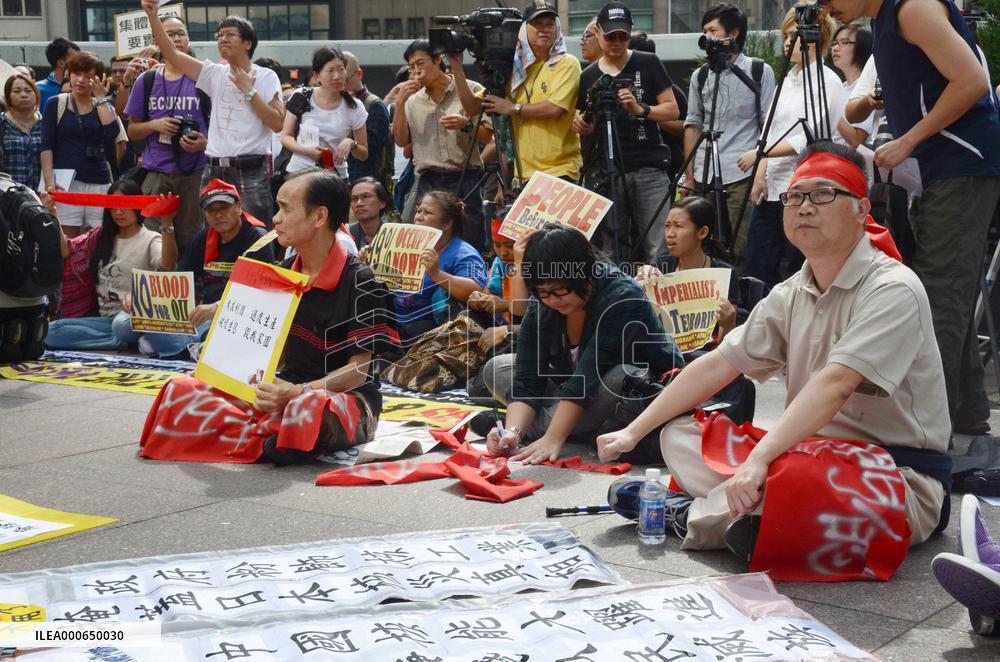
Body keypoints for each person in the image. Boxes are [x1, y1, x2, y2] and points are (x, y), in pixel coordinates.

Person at [596, 144, 950, 577]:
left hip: (893, 476)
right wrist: (633, 432)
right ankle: (753, 513)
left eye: (822, 195)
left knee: (796, 478)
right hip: (803, 453)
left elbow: (835, 384)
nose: (804, 207)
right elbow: (719, 363)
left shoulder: (893, 288)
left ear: (861, 209)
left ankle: (693, 517)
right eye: (795, 196)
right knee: (680, 435)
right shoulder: (791, 290)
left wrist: (760, 460)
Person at [139, 168, 399, 465]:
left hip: (340, 397)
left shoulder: (361, 280)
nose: (275, 219)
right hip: (285, 389)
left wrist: (297, 391)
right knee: (183, 390)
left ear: (319, 217)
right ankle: (272, 436)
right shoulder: (281, 273)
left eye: (285, 209)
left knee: (308, 408)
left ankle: (259, 432)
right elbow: (270, 356)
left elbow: (358, 373)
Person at [825, 0, 1000, 436]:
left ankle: (924, 427)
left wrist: (907, 141)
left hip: (961, 163)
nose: (826, 7)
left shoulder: (913, 7)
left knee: (940, 294)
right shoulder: (887, 17)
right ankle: (967, 410)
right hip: (939, 168)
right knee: (942, 288)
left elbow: (974, 82)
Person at [482, 222, 683, 464]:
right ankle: (565, 426)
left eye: (559, 291)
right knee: (497, 367)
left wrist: (554, 438)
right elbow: (527, 377)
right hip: (571, 385)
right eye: (542, 292)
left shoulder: (622, 297)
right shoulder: (543, 300)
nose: (552, 300)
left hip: (633, 389)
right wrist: (512, 434)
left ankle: (549, 428)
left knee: (621, 376)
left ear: (584, 276)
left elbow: (586, 378)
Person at [142, 0, 284, 224]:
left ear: (248, 42)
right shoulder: (214, 73)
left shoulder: (266, 76)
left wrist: (249, 91)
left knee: (255, 234)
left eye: (229, 34)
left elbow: (277, 123)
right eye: (219, 36)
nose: (222, 39)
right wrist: (152, 16)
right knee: (215, 237)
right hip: (214, 169)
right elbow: (172, 54)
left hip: (250, 169)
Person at [735, 8, 843, 289]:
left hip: (804, 189)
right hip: (772, 190)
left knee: (799, 268)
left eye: (794, 35)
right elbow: (768, 131)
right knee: (758, 265)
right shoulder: (786, 81)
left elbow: (810, 137)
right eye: (785, 35)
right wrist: (760, 173)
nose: (787, 42)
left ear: (815, 38)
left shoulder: (828, 81)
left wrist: (760, 154)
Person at [573, 1, 679, 263]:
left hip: (648, 168)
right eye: (610, 35)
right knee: (610, 248)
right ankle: (618, 300)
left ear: (630, 34)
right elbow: (580, 119)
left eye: (623, 35)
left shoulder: (649, 62)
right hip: (607, 170)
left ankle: (660, 300)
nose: (616, 41)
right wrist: (582, 124)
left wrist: (639, 108)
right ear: (597, 32)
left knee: (658, 245)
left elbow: (672, 110)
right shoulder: (588, 76)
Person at [681, 4, 776, 275]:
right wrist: (690, 176)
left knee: (743, 245)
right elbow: (693, 124)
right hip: (705, 172)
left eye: (713, 31)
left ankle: (743, 302)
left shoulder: (758, 71)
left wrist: (761, 168)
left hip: (742, 171)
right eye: (704, 32)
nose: (707, 38)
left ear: (733, 34)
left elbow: (768, 123)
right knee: (703, 243)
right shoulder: (701, 76)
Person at [454, 1, 582, 185]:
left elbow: (555, 109)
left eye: (550, 24)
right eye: (537, 24)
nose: (544, 29)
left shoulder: (566, 63)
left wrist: (513, 108)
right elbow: (473, 107)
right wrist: (457, 67)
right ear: (523, 29)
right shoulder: (514, 68)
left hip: (560, 171)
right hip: (523, 175)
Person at [45, 178, 179, 352]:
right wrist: (52, 213)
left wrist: (167, 224)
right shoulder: (101, 236)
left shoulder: (150, 238)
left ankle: (133, 338)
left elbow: (168, 265)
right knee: (51, 331)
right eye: (114, 205)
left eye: (124, 204)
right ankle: (131, 343)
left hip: (134, 317)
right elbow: (66, 251)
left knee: (121, 325)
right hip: (104, 320)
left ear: (137, 205)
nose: (118, 211)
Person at [391, 40, 492, 251]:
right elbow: (401, 141)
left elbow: (487, 136)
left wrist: (466, 125)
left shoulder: (471, 89)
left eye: (421, 63)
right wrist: (399, 102)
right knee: (429, 245)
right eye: (412, 67)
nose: (417, 71)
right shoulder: (411, 101)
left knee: (471, 240)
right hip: (429, 180)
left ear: (438, 60)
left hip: (465, 177)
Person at [125, 15, 210, 256]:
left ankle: (193, 290)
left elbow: (222, 125)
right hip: (157, 173)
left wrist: (205, 144)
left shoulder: (204, 76)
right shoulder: (147, 79)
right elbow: (132, 130)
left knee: (192, 240)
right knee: (155, 242)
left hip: (195, 173)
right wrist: (155, 125)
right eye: (169, 34)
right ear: (157, 40)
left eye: (181, 33)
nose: (176, 39)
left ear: (189, 38)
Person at [163, 178, 276, 357]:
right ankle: (196, 348)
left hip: (238, 317)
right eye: (211, 210)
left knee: (212, 334)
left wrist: (217, 307)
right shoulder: (202, 238)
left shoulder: (257, 239)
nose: (218, 215)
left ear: (238, 208)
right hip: (202, 316)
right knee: (130, 327)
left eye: (223, 207)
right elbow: (182, 279)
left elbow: (261, 293)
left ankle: (195, 348)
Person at [377, 191, 487, 341]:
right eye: (418, 210)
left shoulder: (463, 253)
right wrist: (369, 260)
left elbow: (475, 290)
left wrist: (437, 274)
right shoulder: (403, 245)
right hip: (390, 322)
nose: (418, 217)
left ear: (447, 223)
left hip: (430, 331)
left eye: (427, 212)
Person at [40, 51, 127, 238]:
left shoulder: (103, 106)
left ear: (98, 80)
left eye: (88, 76)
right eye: (76, 74)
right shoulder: (56, 103)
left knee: (98, 237)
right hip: (66, 183)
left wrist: (101, 98)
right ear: (69, 74)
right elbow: (46, 146)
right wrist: (49, 182)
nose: (80, 80)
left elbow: (112, 134)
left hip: (99, 181)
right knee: (67, 239)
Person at [638, 197, 740, 344]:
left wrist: (728, 324)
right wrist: (642, 283)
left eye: (678, 226)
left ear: (702, 232)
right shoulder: (660, 268)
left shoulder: (724, 274)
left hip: (707, 357)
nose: (670, 234)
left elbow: (725, 347)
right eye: (667, 226)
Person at [281, 47, 368, 182]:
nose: (337, 76)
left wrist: (351, 143)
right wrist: (307, 151)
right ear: (316, 76)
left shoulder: (354, 107)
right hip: (300, 174)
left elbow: (363, 154)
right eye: (330, 71)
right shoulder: (302, 96)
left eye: (341, 69)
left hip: (334, 177)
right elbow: (286, 137)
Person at [342, 51, 391, 188]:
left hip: (364, 182)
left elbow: (372, 149)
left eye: (345, 79)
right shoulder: (331, 104)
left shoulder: (374, 105)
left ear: (359, 74)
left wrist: (350, 137)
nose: (340, 84)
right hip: (336, 181)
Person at [830, 23, 875, 149]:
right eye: (834, 43)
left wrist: (830, 109)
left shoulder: (867, 88)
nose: (835, 48)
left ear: (862, 46)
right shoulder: (840, 87)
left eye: (844, 42)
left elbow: (857, 140)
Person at [1, 74, 43, 189]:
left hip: (40, 196)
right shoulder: (2, 123)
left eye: (28, 90)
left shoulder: (46, 124)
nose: (23, 95)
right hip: (8, 195)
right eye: (16, 91)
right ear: (8, 96)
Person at [37, 38, 79, 109]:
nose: (80, 63)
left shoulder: (84, 86)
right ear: (61, 63)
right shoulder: (37, 90)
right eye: (76, 60)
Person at [348, 177, 389, 249]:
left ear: (382, 203)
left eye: (365, 196)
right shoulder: (346, 235)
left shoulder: (396, 235)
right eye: (354, 199)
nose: (359, 203)